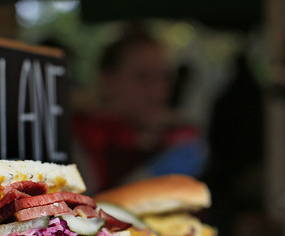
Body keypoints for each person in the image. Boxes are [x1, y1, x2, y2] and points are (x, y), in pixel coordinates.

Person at [72, 26, 208, 193]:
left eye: (163, 77)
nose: (157, 91)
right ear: (107, 81)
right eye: (142, 77)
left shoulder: (179, 136)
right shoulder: (83, 138)